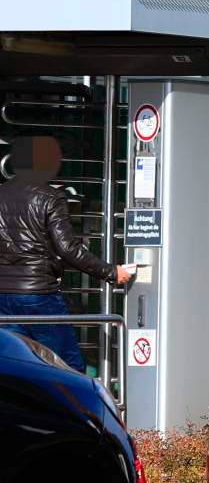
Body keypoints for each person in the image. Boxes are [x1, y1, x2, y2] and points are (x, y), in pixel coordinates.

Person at [0, 136, 134, 372]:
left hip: (3, 296)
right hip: (38, 294)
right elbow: (67, 248)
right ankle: (78, 408)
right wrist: (112, 272)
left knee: (17, 366)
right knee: (66, 366)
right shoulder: (50, 197)